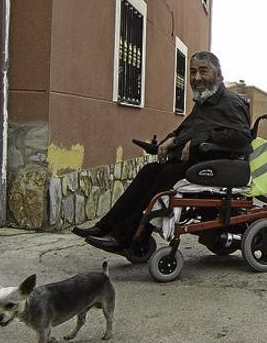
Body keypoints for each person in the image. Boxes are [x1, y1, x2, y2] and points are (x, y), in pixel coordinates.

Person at [73, 51, 252, 252]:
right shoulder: (204, 102)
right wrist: (171, 139)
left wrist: (201, 140)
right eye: (192, 72)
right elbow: (187, 128)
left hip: (214, 165)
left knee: (164, 178)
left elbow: (242, 138)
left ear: (218, 75)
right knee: (149, 171)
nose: (197, 78)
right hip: (192, 162)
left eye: (203, 71)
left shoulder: (230, 102)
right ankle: (104, 227)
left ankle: (124, 237)